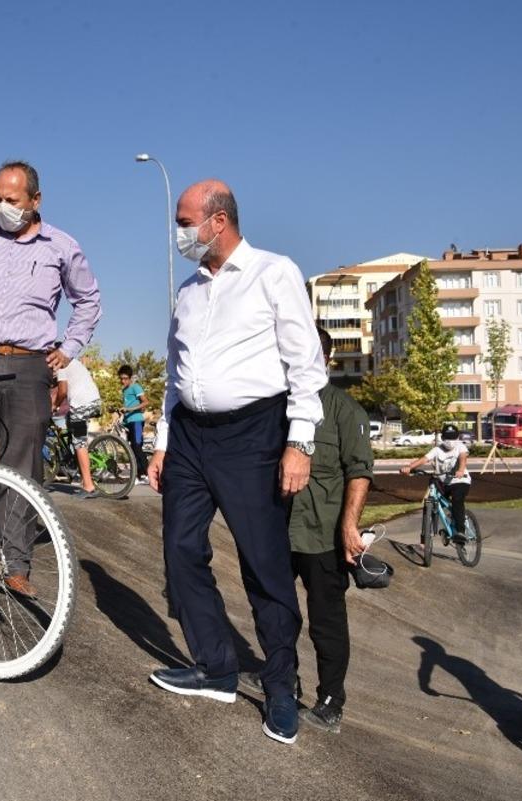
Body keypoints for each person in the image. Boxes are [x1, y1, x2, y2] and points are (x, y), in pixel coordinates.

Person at [146, 178, 327, 745]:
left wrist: (300, 442)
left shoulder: (275, 273)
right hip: (191, 439)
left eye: (184, 221)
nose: (179, 233)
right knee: (180, 549)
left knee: (263, 565)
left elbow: (306, 365)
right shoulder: (190, 292)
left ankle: (281, 684)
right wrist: (162, 440)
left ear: (217, 221)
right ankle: (216, 666)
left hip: (254, 435)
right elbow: (175, 376)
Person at [0, 159, 101, 599]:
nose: (3, 207)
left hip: (30, 369)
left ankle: (14, 564)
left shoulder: (61, 246)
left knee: (22, 468)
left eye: (13, 199)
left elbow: (88, 300)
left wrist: (68, 349)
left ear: (35, 200)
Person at [279, 326, 373, 734]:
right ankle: (283, 682)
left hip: (322, 534)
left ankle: (331, 698)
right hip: (277, 531)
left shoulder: (344, 410)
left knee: (326, 622)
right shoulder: (274, 406)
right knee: (276, 613)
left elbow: (359, 473)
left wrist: (349, 527)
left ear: (326, 358)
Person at [400, 423, 470, 538]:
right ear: (442, 438)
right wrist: (409, 467)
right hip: (443, 482)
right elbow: (424, 459)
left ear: (457, 438)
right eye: (447, 438)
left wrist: (461, 470)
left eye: (453, 438)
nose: (450, 441)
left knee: (457, 500)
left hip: (460, 480)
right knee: (432, 504)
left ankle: (460, 531)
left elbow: (463, 458)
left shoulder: (460, 447)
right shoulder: (437, 450)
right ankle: (429, 533)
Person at [53, 349, 102, 498]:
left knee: (79, 443)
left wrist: (54, 406)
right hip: (93, 401)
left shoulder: (61, 364)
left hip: (81, 405)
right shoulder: (74, 362)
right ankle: (75, 464)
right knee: (70, 423)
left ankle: (88, 486)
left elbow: (62, 391)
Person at [118, 365, 149, 483]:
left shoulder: (135, 387)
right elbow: (128, 405)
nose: (123, 381)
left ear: (130, 378)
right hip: (128, 422)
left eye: (125, 378)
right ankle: (138, 475)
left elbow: (146, 402)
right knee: (132, 449)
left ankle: (147, 474)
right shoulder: (124, 390)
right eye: (121, 378)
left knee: (137, 446)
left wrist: (129, 409)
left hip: (136, 420)